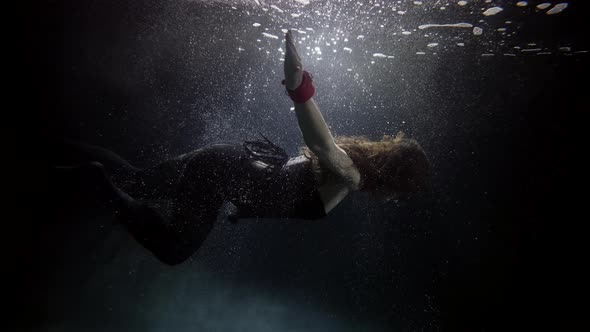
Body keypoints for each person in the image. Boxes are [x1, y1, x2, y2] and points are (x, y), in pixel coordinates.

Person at [55, 30, 431, 265]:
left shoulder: (349, 164)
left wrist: (245, 211)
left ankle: (59, 149)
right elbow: (319, 142)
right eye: (402, 192)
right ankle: (95, 180)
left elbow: (282, 185)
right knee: (173, 250)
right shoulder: (349, 173)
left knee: (138, 182)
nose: (395, 199)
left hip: (226, 160)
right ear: (394, 182)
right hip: (219, 173)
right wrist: (298, 87)